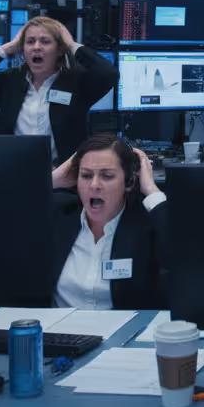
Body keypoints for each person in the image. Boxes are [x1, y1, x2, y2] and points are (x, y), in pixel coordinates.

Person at [0, 16, 118, 164]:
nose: (36, 47)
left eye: (45, 41)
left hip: (63, 179)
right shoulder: (10, 82)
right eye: (30, 42)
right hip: (14, 173)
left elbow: (108, 74)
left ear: (60, 50)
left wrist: (71, 45)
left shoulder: (76, 83)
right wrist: (7, 48)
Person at [50, 133, 166, 310]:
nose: (95, 185)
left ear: (128, 181)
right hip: (58, 334)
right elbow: (0, 211)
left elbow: (184, 257)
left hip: (124, 335)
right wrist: (53, 179)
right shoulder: (58, 214)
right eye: (86, 176)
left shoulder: (146, 224)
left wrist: (151, 191)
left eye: (107, 176)